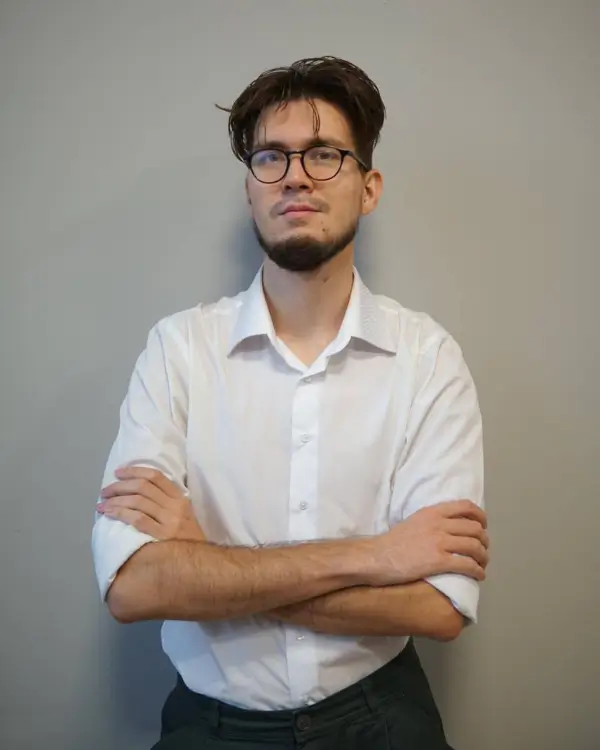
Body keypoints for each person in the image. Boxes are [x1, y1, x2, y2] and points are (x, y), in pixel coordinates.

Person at [92, 56, 488, 750]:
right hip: (210, 727)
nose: (295, 176)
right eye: (271, 157)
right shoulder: (178, 350)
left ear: (369, 188)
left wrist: (206, 561)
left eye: (324, 154)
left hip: (382, 717)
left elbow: (438, 607)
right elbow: (133, 587)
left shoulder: (428, 359)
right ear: (251, 190)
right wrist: (378, 556)